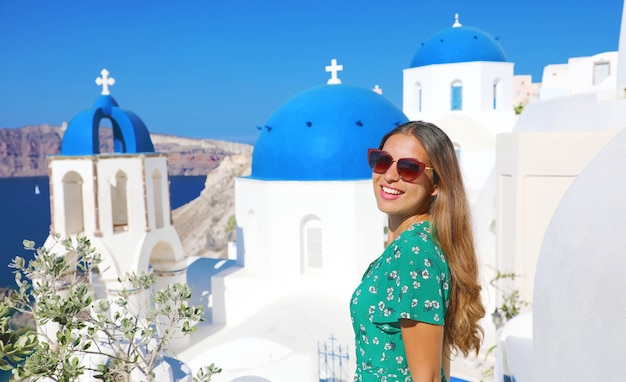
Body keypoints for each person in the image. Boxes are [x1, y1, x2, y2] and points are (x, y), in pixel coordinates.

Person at [350, 121, 485, 381]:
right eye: (382, 160)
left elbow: (429, 378)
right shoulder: (420, 244)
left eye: (409, 168)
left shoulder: (414, 253)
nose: (389, 175)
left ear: (436, 184)